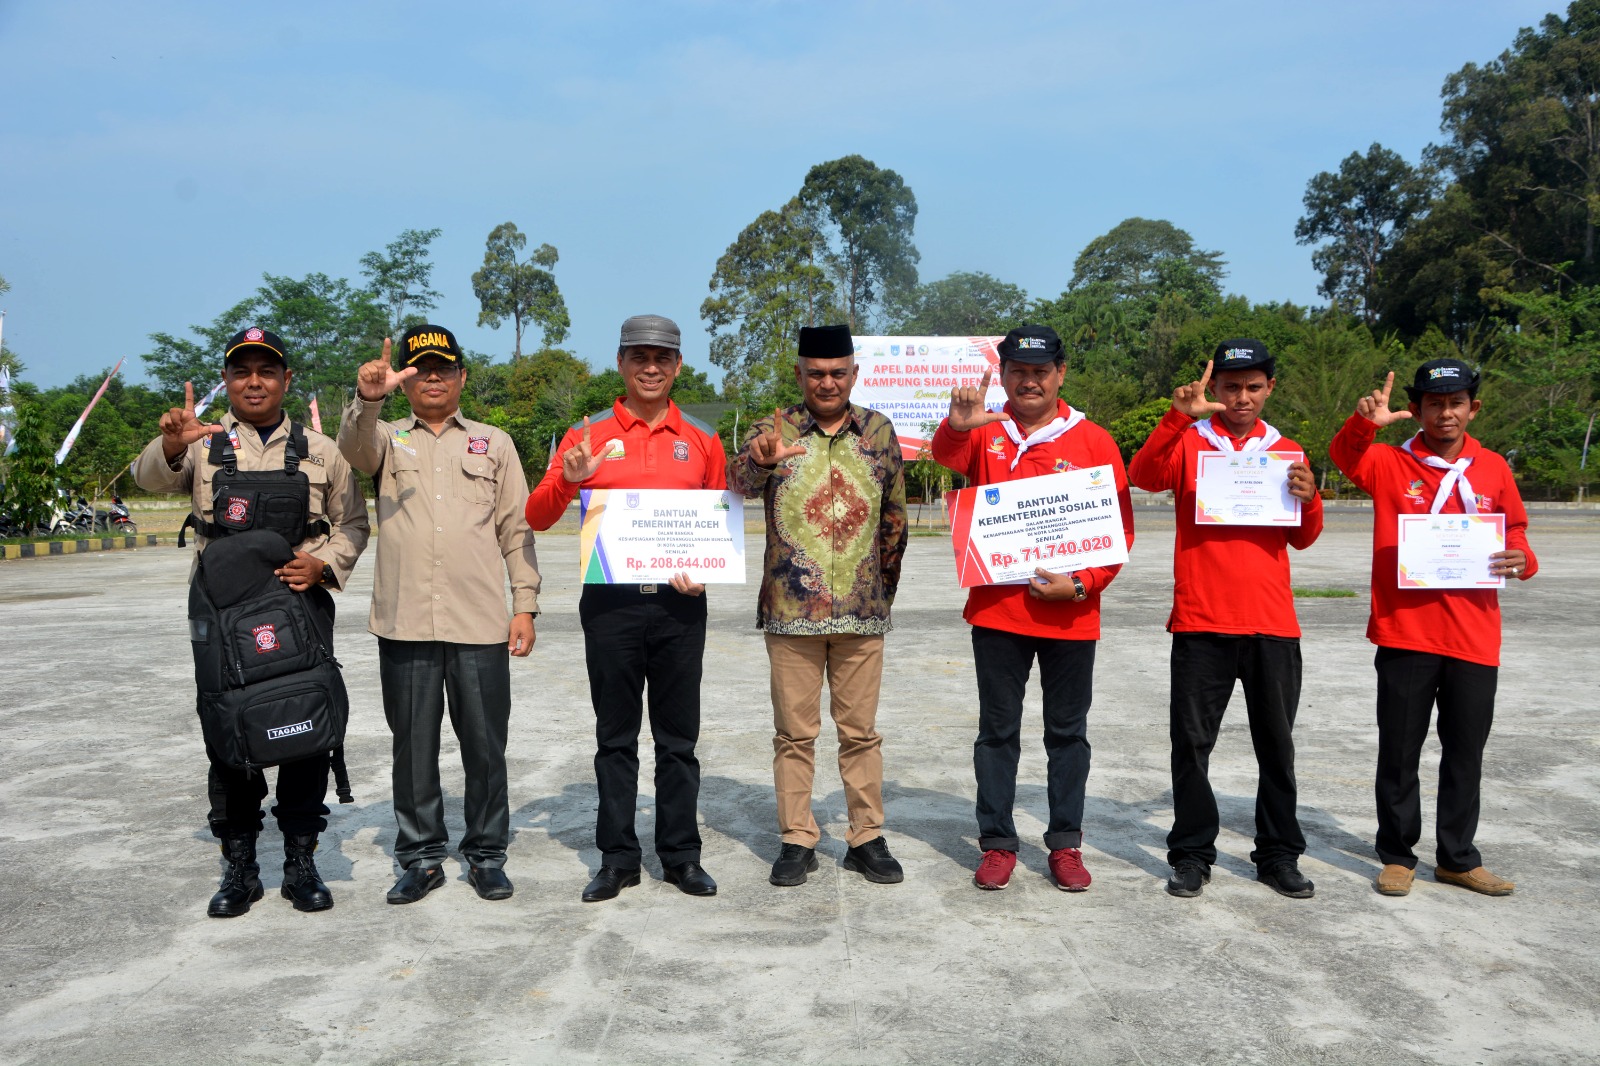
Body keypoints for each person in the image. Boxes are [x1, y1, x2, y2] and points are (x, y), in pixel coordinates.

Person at [133, 326, 369, 917]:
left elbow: (355, 523)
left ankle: (300, 860)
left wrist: (323, 564)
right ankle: (239, 867)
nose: (254, 381)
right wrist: (168, 445)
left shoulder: (321, 452)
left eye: (267, 371)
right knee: (226, 724)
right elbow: (146, 479)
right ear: (228, 382)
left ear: (286, 380)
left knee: (304, 721)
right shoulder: (200, 445)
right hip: (220, 611)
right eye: (242, 372)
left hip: (300, 604)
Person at [525, 314, 726, 902]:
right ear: (620, 362)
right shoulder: (583, 435)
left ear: (678, 366)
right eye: (639, 356)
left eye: (662, 357)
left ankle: (681, 855)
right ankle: (617, 858)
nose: (651, 367)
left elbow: (717, 523)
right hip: (609, 605)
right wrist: (568, 481)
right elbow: (535, 516)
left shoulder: (703, 439)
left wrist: (705, 573)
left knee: (678, 739)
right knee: (615, 737)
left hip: (679, 608)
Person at [338, 324, 540, 905]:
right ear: (406, 379)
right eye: (420, 368)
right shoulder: (384, 438)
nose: (432, 377)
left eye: (443, 368)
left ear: (461, 376)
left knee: (485, 744)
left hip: (479, 622)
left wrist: (523, 604)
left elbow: (514, 528)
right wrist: (368, 398)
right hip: (404, 623)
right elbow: (354, 450)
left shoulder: (493, 442)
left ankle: (485, 854)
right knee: (413, 745)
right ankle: (422, 856)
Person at [931, 324, 1135, 892]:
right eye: (1017, 371)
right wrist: (955, 424)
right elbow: (945, 456)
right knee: (997, 733)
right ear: (1003, 374)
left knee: (1067, 734)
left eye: (1040, 371)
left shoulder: (1093, 440)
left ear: (1060, 374)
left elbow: (1119, 533)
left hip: (1071, 616)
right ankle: (997, 842)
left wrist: (1080, 585)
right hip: (997, 614)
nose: (1029, 381)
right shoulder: (983, 430)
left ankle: (1065, 843)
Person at [1330, 359, 1535, 897]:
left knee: (1466, 750)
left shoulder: (1493, 468)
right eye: (1435, 403)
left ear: (1474, 407)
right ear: (1417, 409)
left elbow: (1515, 528)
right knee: (1399, 750)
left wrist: (1523, 557)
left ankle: (1458, 856)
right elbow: (1343, 457)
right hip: (1405, 632)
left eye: (1457, 402)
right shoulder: (1389, 463)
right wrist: (1364, 424)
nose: (1447, 412)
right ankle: (1397, 854)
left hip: (1474, 635)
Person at [1128, 339, 1324, 899]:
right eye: (1232, 386)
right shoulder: (1192, 442)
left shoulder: (1288, 450)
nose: (1243, 397)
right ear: (1214, 390)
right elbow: (1142, 474)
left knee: (1276, 747)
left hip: (1272, 623)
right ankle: (1192, 854)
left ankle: (1279, 854)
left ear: (1270, 389)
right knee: (1191, 746)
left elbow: (1305, 537)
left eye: (1254, 386)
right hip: (1201, 621)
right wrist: (1174, 417)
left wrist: (1310, 498)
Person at [732, 324, 909, 887]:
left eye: (837, 373)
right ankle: (796, 837)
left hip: (862, 612)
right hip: (791, 613)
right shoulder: (772, 429)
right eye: (816, 373)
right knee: (794, 734)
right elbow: (732, 484)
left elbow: (894, 522)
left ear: (854, 373)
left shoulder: (879, 431)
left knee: (860, 733)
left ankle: (866, 836)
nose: (827, 383)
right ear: (799, 375)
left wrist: (881, 592)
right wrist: (759, 462)